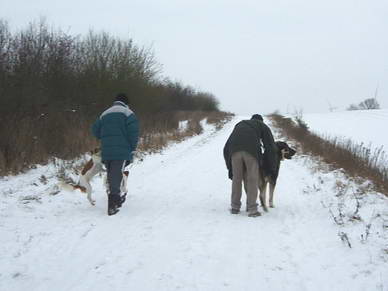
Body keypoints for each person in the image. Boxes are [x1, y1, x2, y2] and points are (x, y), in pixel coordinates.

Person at [92, 93, 139, 215]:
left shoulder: (105, 113)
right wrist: (132, 148)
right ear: (126, 103)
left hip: (107, 151)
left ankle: (115, 198)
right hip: (122, 151)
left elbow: (95, 130)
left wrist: (104, 137)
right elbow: (133, 133)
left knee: (111, 174)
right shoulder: (128, 113)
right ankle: (113, 204)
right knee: (116, 175)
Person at [223, 114, 277, 217]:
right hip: (251, 152)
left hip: (234, 151)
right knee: (252, 179)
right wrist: (271, 166)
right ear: (261, 121)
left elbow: (226, 146)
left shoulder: (240, 124)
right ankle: (252, 209)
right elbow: (270, 147)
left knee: (237, 179)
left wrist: (229, 166)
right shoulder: (262, 126)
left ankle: (235, 207)